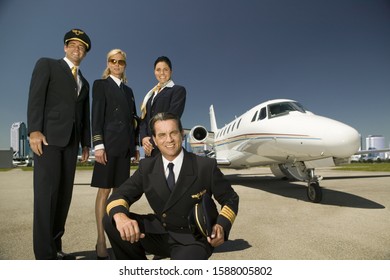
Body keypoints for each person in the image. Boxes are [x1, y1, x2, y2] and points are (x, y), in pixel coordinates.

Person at [103, 112, 239, 260]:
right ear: (154, 139)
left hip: (192, 239)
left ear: (182, 134)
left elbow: (230, 199)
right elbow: (119, 195)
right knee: (111, 220)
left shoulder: (205, 166)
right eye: (162, 135)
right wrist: (121, 217)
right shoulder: (147, 167)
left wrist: (221, 226)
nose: (169, 140)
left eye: (173, 133)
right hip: (159, 232)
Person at [27, 28, 91, 260]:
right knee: (46, 196)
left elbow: (85, 115)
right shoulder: (48, 65)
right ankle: (44, 255)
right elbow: (36, 97)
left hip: (72, 143)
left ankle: (55, 246)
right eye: (73, 45)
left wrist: (86, 143)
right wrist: (34, 129)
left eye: (82, 48)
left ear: (85, 53)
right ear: (65, 47)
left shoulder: (85, 81)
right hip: (48, 139)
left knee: (64, 196)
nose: (77, 49)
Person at [91, 49, 139, 260]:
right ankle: (101, 240)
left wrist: (135, 146)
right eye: (113, 61)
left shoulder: (128, 91)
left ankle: (117, 239)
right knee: (104, 191)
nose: (117, 64)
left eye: (121, 62)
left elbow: (132, 121)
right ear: (108, 63)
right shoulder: (101, 85)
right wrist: (98, 144)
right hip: (108, 146)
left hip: (125, 147)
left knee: (119, 193)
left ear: (125, 65)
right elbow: (96, 115)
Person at [139, 56, 186, 157]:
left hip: (166, 144)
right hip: (149, 148)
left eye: (165, 69)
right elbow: (143, 119)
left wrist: (152, 140)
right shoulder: (150, 95)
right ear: (154, 72)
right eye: (158, 70)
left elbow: (172, 116)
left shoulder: (177, 90)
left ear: (171, 72)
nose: (162, 73)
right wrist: (144, 138)